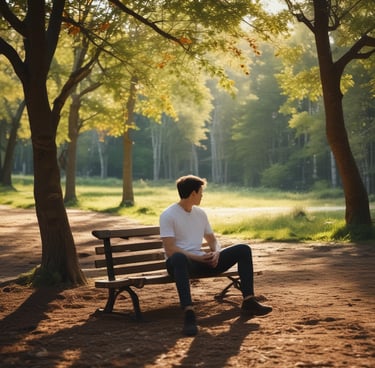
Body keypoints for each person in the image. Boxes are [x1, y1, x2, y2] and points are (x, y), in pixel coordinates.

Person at [159, 174, 272, 336]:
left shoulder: (200, 213)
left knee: (243, 249)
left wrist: (216, 253)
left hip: (204, 262)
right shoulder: (168, 215)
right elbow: (170, 249)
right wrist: (198, 257)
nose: (202, 195)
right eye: (200, 192)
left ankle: (248, 301)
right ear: (193, 193)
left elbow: (212, 240)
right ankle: (189, 314)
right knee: (178, 258)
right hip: (181, 265)